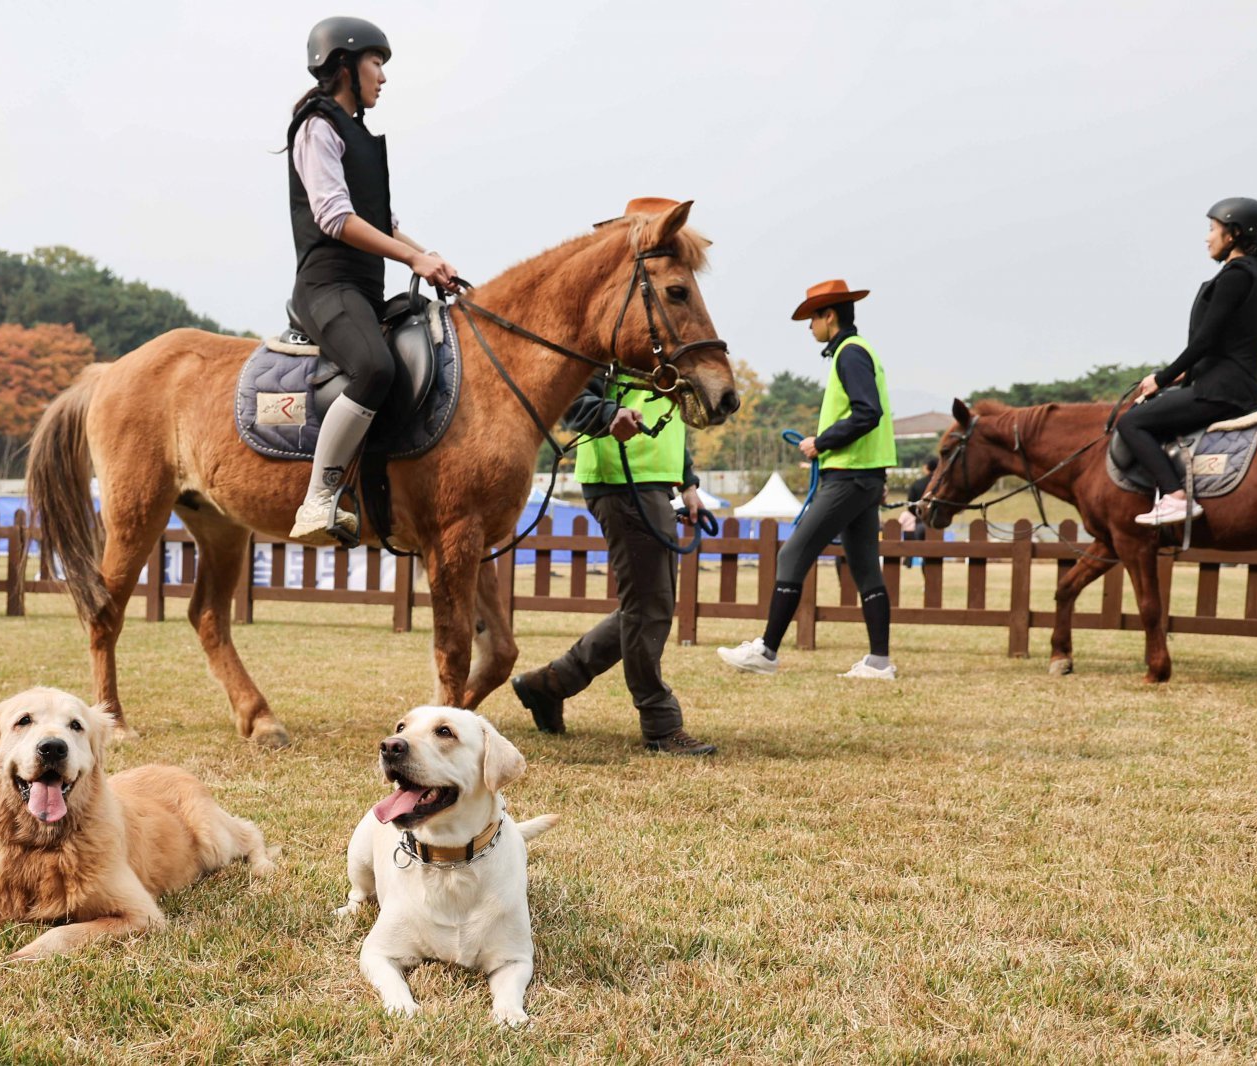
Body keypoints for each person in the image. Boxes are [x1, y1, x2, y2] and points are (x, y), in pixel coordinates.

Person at [510, 212, 716, 755]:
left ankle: (546, 685)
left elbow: (667, 407)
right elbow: (572, 399)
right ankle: (660, 722)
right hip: (617, 476)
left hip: (653, 480)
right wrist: (608, 416)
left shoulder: (654, 331)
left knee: (645, 606)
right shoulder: (612, 319)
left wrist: (687, 481)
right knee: (649, 607)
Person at [284, 17, 460, 544]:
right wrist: (412, 262)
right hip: (326, 288)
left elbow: (383, 224)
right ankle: (318, 499)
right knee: (375, 367)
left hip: (361, 289)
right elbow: (336, 218)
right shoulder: (317, 126)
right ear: (344, 65)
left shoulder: (358, 134)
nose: (383, 76)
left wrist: (427, 255)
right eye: (376, 63)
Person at [717, 279, 897, 679]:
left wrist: (822, 442)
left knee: (792, 554)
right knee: (866, 567)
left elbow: (868, 413)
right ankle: (879, 662)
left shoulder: (849, 354)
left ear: (829, 316)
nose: (808, 326)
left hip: (848, 476)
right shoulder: (859, 351)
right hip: (865, 478)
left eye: (812, 317)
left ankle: (766, 651)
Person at [1116, 197, 1257, 526]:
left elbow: (1205, 340)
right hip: (1221, 380)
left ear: (1233, 234)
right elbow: (1222, 343)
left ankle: (1173, 497)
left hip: (1221, 389)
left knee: (1132, 422)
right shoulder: (1246, 272)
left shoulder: (1236, 274)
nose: (1207, 237)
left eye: (1212, 229)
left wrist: (1162, 377)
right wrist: (1180, 375)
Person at [901, 455, 938, 566]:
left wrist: (919, 515)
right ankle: (930, 578)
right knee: (933, 553)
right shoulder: (941, 484)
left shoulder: (917, 484)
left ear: (926, 467)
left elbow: (910, 505)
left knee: (923, 551)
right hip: (936, 522)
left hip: (920, 522)